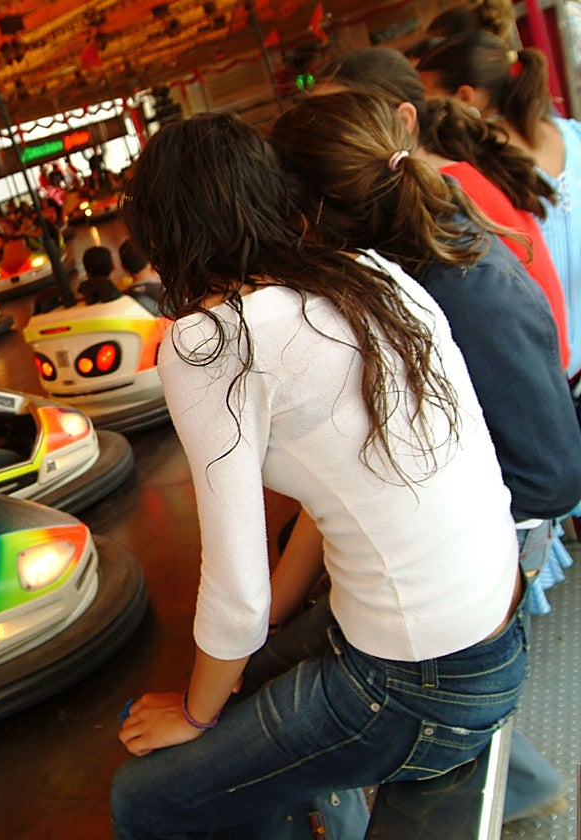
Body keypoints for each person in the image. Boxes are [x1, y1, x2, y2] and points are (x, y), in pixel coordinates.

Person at [109, 113, 526, 838]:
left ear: (163, 232)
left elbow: (234, 588)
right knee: (248, 669)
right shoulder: (369, 273)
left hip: (420, 689)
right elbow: (334, 495)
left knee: (147, 796)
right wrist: (268, 628)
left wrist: (194, 711)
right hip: (498, 632)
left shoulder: (209, 341)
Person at [273, 90, 580, 823]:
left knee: (292, 667)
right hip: (499, 515)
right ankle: (522, 784)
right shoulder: (430, 250)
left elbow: (552, 473)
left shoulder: (451, 289)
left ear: (312, 214)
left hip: (513, 522)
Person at [322, 47, 569, 372]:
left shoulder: (443, 195)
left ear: (404, 120)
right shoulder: (446, 176)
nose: (329, 140)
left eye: (342, 121)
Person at [417, 31, 581, 379]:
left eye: (427, 94)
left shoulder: (476, 167)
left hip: (550, 372)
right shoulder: (572, 134)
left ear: (464, 96)